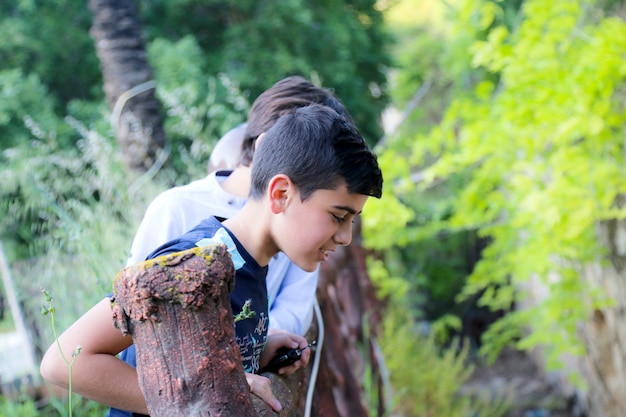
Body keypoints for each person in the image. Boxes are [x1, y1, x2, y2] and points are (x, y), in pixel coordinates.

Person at [40, 104, 383, 415]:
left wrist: (255, 348)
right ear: (281, 194)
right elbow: (63, 361)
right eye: (339, 216)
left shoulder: (253, 262)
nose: (346, 237)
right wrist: (215, 397)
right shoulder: (192, 264)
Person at [126, 76, 355, 336]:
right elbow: (133, 312)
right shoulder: (176, 208)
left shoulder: (302, 222)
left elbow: (295, 313)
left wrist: (255, 346)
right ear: (269, 145)